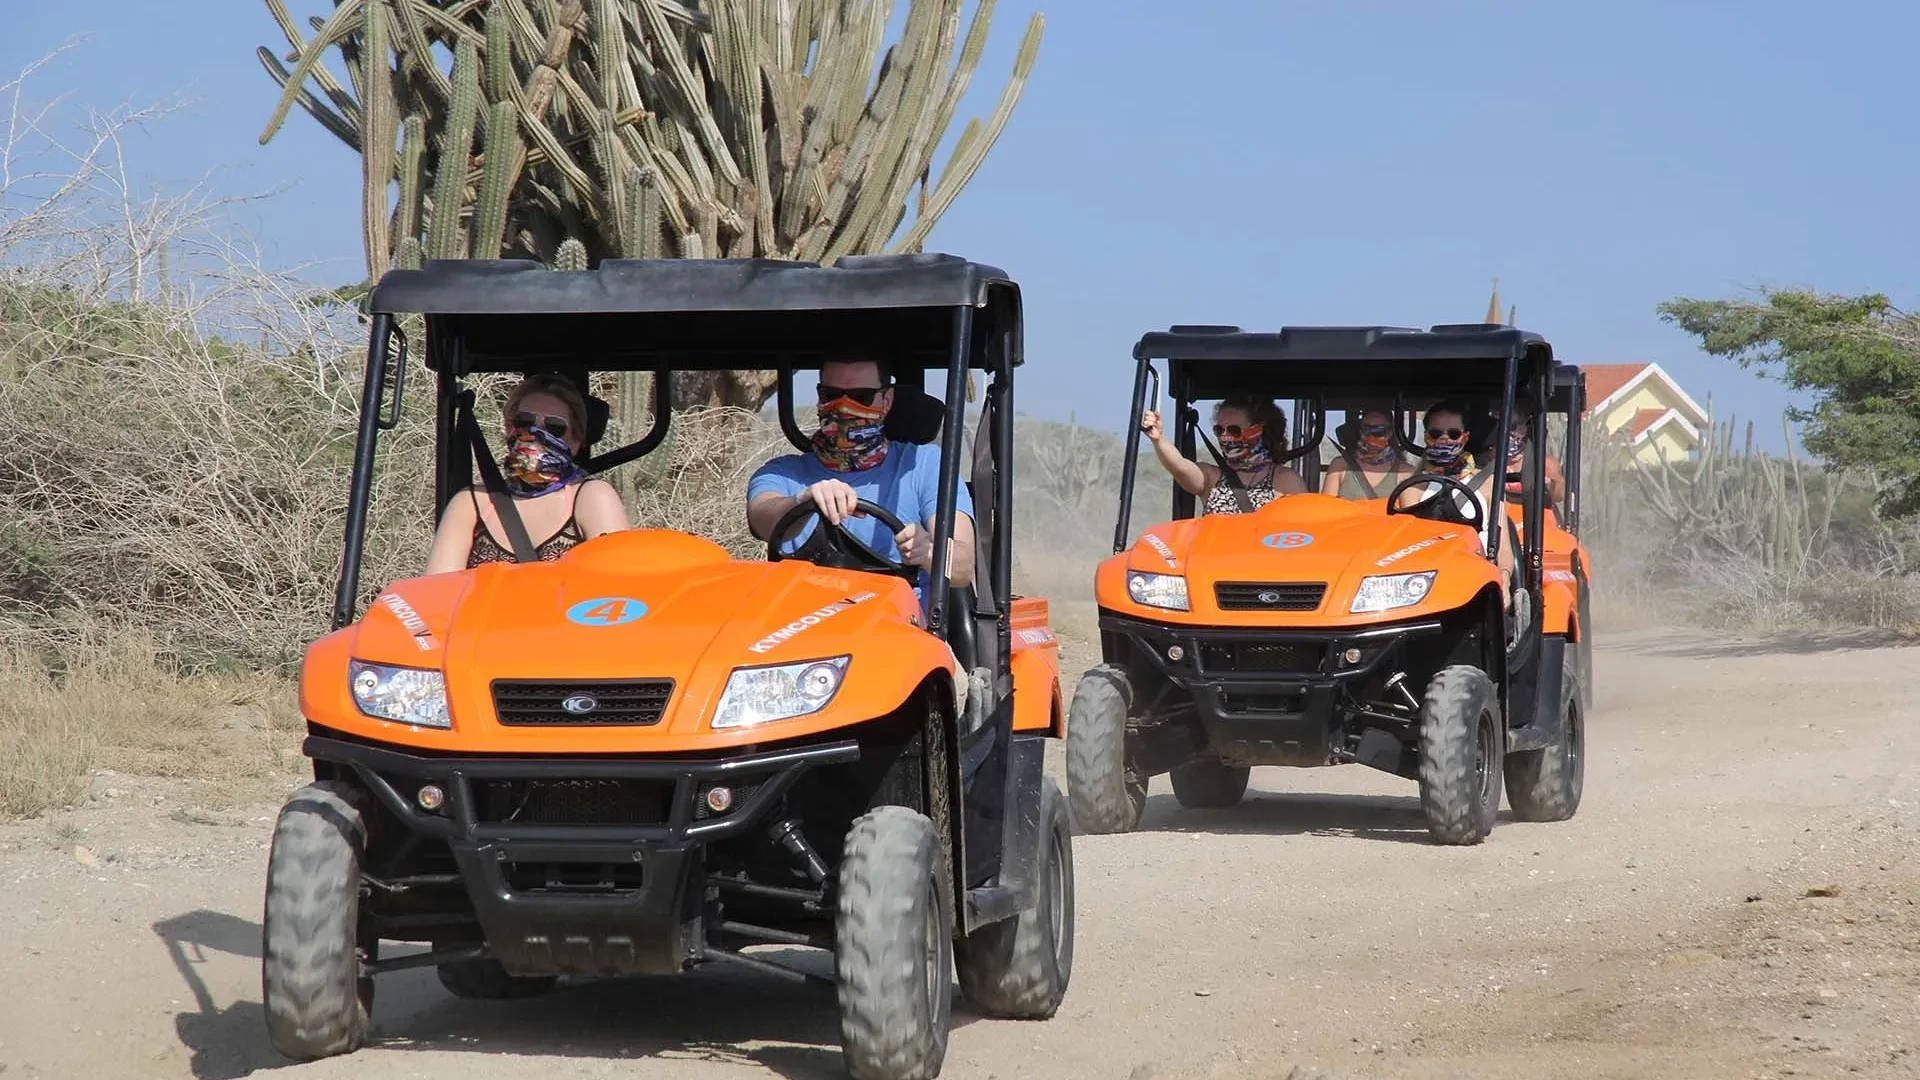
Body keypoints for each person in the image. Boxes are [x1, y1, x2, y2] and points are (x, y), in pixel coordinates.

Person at [746, 353, 975, 611]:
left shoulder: (925, 465)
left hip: (898, 626)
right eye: (832, 395)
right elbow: (761, 516)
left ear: (886, 400)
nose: (844, 407)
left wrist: (930, 552)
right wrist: (802, 501)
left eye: (861, 398)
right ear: (819, 398)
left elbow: (963, 568)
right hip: (799, 623)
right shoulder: (783, 473)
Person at [424, 373, 630, 572]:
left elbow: (617, 585)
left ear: (576, 440)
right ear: (509, 428)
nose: (535, 434)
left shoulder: (593, 498)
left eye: (554, 427)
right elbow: (439, 588)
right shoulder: (472, 502)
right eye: (524, 422)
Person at [1395, 400, 1517, 610]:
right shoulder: (1412, 486)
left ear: (1465, 437)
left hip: (1480, 578)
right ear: (1426, 437)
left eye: (1453, 434)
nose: (1444, 439)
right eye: (1436, 434)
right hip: (1427, 582)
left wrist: (1504, 577)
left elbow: (1503, 546)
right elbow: (1409, 547)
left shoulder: (1488, 483)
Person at [1139, 393, 1307, 514]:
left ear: (1259, 431)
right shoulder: (1212, 478)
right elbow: (1180, 467)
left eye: (1234, 430)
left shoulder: (1285, 480)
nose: (1225, 437)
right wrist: (1158, 439)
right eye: (1219, 430)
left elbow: (1303, 530)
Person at [1324, 408, 1416, 500]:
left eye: (1378, 431)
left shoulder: (1406, 472)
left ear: (1390, 433)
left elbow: (1409, 507)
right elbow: (1327, 506)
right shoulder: (1339, 466)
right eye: (1366, 430)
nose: (1371, 436)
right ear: (1360, 431)